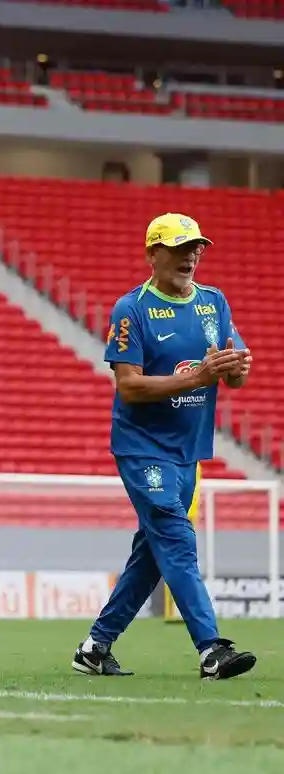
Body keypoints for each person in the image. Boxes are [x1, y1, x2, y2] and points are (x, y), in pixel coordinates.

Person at [75, 213, 256, 681]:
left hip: (188, 450)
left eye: (196, 247)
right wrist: (197, 376)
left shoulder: (214, 303)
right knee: (177, 539)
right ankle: (211, 648)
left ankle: (95, 647)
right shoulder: (131, 309)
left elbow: (233, 373)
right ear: (153, 254)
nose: (191, 256)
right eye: (179, 248)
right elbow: (129, 387)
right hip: (142, 447)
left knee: (154, 553)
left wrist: (236, 368)